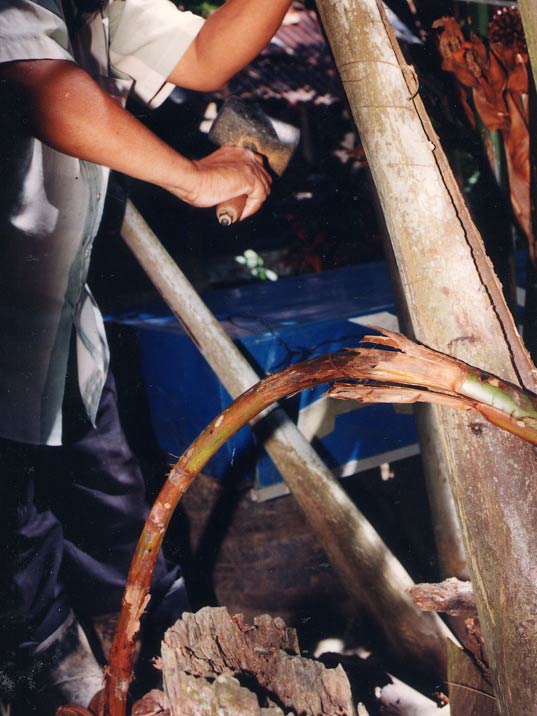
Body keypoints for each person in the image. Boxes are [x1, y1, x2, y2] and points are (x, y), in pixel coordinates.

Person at [0, 0, 291, 711]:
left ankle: (168, 653)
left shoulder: (97, 5)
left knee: (118, 504)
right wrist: (192, 176)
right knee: (16, 536)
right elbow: (46, 87)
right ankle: (49, 671)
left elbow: (204, 56)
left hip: (56, 316)